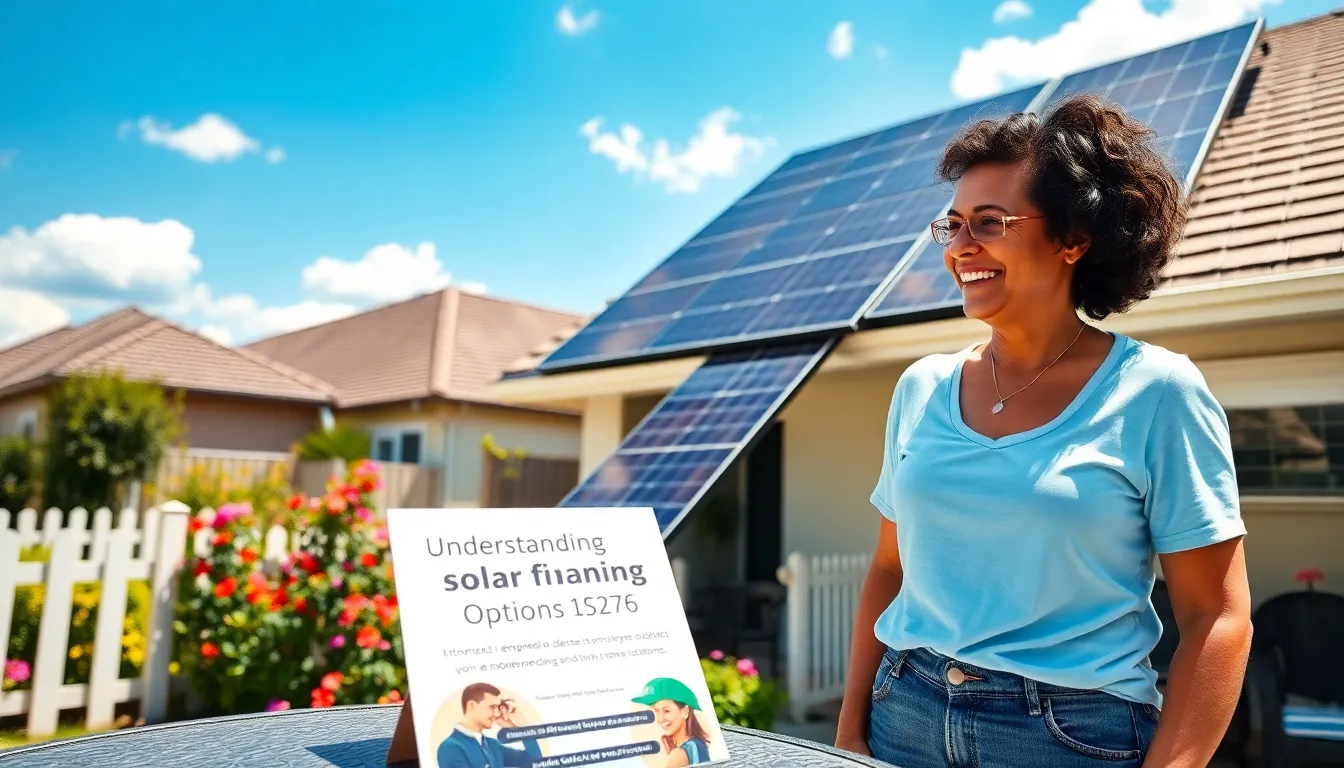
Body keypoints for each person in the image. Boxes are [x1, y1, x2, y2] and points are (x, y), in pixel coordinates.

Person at [833, 92, 1253, 768]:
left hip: (1069, 737)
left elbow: (1218, 617)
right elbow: (889, 567)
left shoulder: (1158, 392)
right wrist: (851, 733)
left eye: (991, 222)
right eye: (954, 225)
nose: (962, 247)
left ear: (1073, 239)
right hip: (903, 714)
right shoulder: (920, 388)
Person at [436, 683, 542, 768]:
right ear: (472, 705)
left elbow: (534, 762)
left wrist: (522, 728)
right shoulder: (450, 747)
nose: (497, 714)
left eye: (498, 708)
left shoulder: (492, 745)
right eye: (492, 707)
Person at [631, 678, 713, 766]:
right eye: (657, 711)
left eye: (667, 711)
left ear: (685, 711)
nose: (660, 719)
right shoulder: (699, 744)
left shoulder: (679, 754)